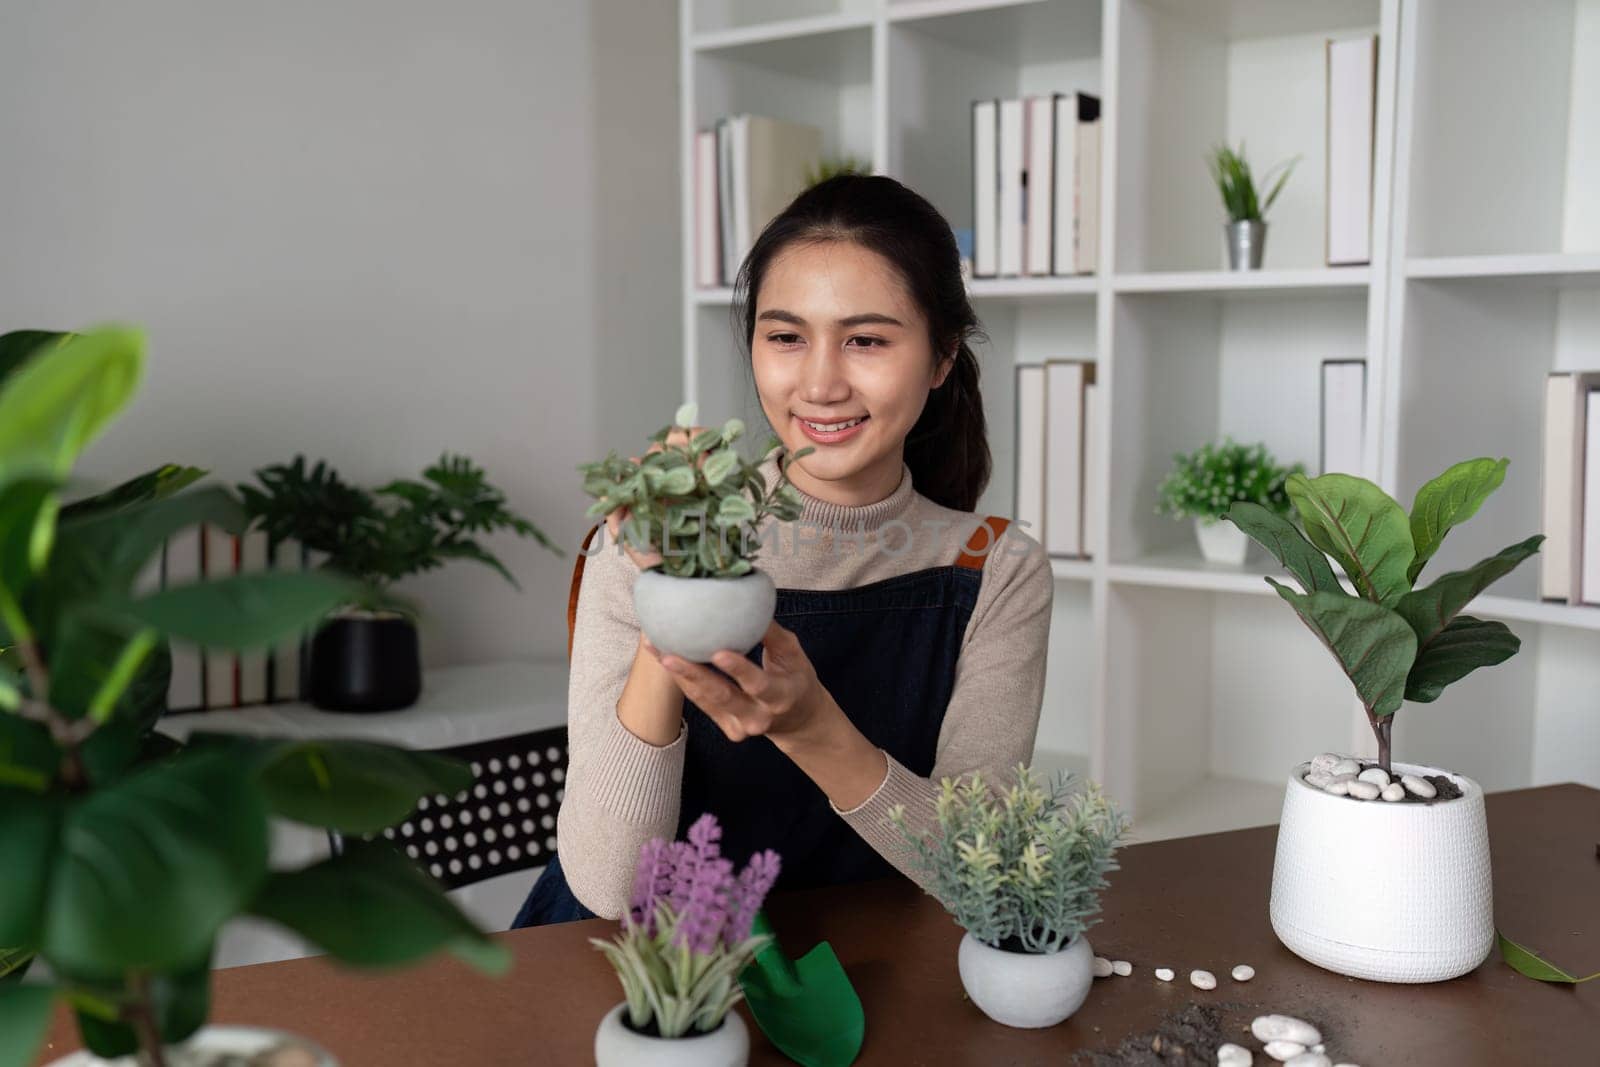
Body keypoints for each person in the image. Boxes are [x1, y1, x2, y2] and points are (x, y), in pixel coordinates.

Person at [512, 173, 1053, 926]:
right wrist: (672, 591)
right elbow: (609, 888)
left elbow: (982, 874)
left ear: (939, 358)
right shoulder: (643, 533)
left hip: (857, 973)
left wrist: (809, 729)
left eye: (865, 339)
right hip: (647, 986)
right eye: (786, 337)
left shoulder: (993, 569)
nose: (821, 382)